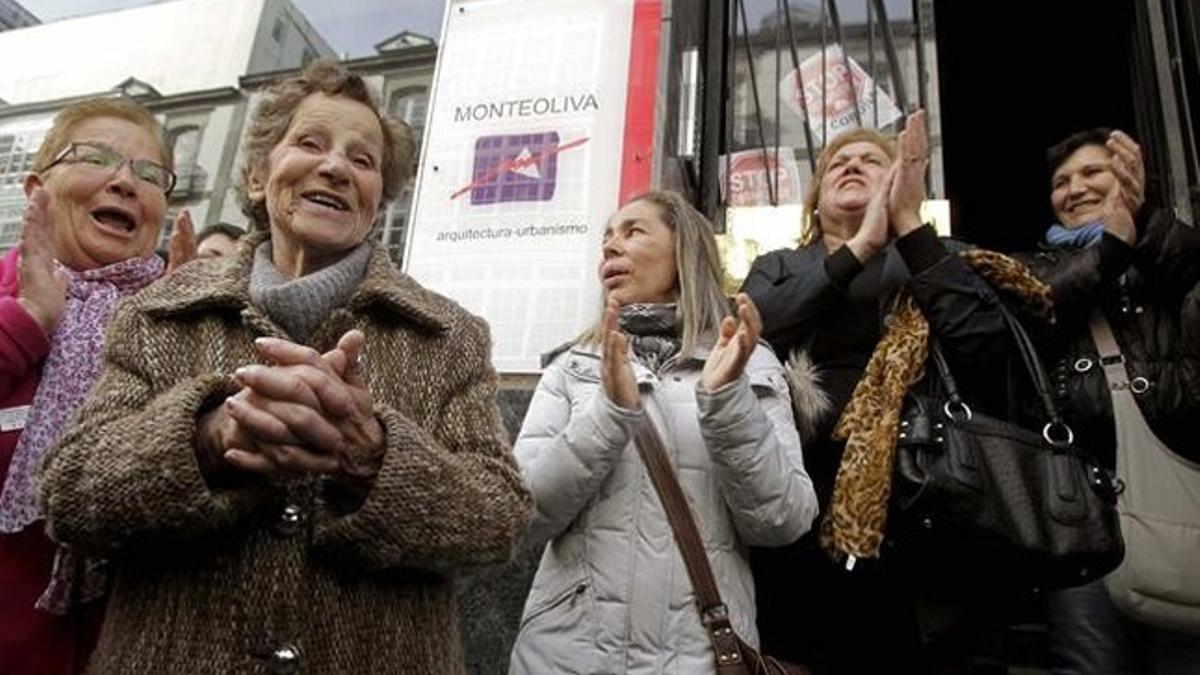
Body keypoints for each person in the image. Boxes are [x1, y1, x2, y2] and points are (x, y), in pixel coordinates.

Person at [38, 60, 532, 674]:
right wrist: (210, 438)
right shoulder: (158, 315)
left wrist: (372, 457)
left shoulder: (448, 336)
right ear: (254, 177)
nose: (335, 167)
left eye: (363, 159)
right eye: (310, 143)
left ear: (378, 199)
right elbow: (70, 495)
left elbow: (498, 521)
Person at [740, 111, 1014, 673]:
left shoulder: (936, 255)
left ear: (901, 184)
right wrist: (859, 249)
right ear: (816, 200)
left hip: (919, 495)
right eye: (838, 163)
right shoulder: (780, 265)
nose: (852, 166)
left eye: (871, 160)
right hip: (803, 490)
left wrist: (908, 229)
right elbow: (754, 327)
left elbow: (986, 343)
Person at [508, 190, 817, 674]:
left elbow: (784, 520)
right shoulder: (574, 366)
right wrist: (608, 414)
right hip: (565, 657)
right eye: (607, 236)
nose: (610, 246)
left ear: (684, 251)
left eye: (633, 231)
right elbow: (520, 516)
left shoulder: (747, 360)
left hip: (701, 657)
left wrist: (726, 402)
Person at [0, 97, 184, 674]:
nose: (126, 182)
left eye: (149, 174)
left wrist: (183, 346)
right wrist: (28, 320)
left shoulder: (177, 326)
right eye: (97, 158)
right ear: (38, 188)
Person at [1014, 128, 1200, 674]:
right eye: (1061, 182)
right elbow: (1041, 309)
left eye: (1092, 172)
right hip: (1084, 513)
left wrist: (1144, 227)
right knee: (1088, 661)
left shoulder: (1168, 252)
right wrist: (1112, 249)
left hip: (1177, 489)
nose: (1075, 189)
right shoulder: (1035, 267)